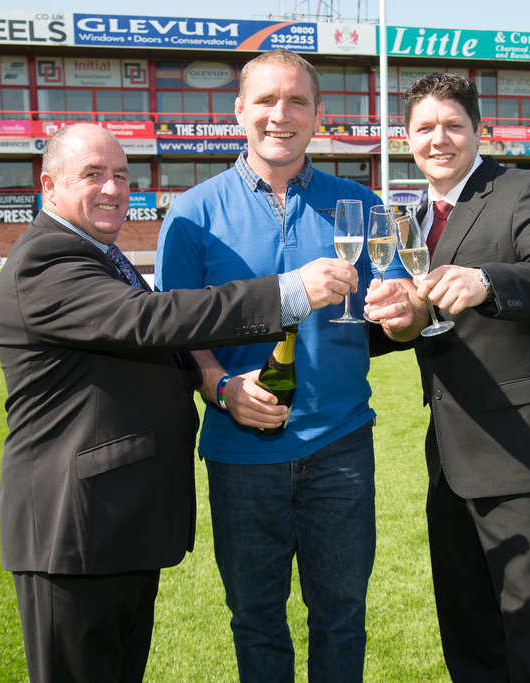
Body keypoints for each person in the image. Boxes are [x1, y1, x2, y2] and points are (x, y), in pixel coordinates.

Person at [0, 122, 353, 682]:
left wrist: (221, 385)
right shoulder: (48, 260)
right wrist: (288, 291)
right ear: (49, 186)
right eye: (92, 175)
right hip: (75, 533)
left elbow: (159, 342)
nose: (112, 189)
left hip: (116, 526)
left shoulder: (98, 254)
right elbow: (150, 320)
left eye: (119, 176)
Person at [154, 49, 421, 683]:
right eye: (268, 100)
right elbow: (175, 332)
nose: (282, 114)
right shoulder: (192, 213)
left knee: (341, 616)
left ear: (318, 115)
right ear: (239, 111)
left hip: (341, 447)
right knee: (255, 619)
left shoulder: (359, 203)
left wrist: (405, 310)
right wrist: (221, 387)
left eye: (297, 101)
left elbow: (402, 315)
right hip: (240, 454)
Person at [376, 72, 530, 683]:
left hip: (524, 448)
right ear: (407, 138)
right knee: (467, 623)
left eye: (453, 125)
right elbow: (419, 318)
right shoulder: (411, 216)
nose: (438, 139)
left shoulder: (524, 189)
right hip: (450, 450)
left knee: (529, 626)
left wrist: (489, 280)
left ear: (478, 130)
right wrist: (395, 318)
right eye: (424, 128)